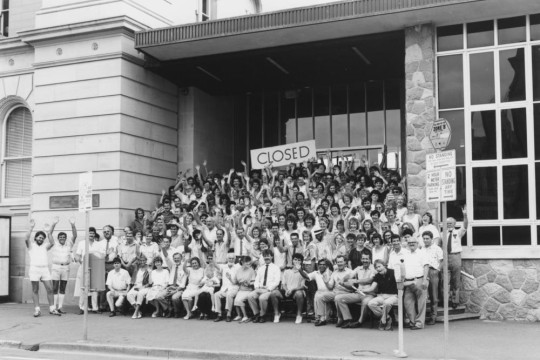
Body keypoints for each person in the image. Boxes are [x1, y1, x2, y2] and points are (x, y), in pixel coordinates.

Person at [25, 219, 60, 317]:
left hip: (45, 270)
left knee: (50, 289)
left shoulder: (45, 246)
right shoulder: (31, 246)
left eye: (42, 238)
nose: (41, 239)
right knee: (35, 290)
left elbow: (52, 243)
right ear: (35, 238)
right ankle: (37, 310)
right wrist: (31, 228)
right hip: (34, 270)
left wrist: (48, 232)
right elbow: (26, 238)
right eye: (39, 237)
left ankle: (52, 309)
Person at [336, 253, 375, 328]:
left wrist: (356, 281)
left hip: (369, 294)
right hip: (358, 293)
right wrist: (343, 279)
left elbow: (370, 280)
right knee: (338, 298)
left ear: (370, 260)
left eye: (366, 259)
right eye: (363, 259)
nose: (365, 261)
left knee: (365, 302)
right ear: (361, 260)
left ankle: (360, 322)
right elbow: (350, 275)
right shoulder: (358, 268)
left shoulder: (374, 268)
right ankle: (348, 319)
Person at [48, 216, 77, 314]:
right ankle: (54, 307)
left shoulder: (69, 244)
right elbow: (49, 234)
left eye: (63, 237)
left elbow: (75, 235)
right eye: (60, 237)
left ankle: (60, 307)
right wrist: (54, 224)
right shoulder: (54, 244)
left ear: (65, 238)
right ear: (58, 238)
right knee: (55, 287)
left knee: (63, 288)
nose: (62, 239)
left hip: (66, 267)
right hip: (56, 267)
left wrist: (73, 225)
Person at [247, 249, 282, 323]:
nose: (266, 258)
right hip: (260, 289)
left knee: (262, 298)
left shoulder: (276, 268)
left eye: (268, 256)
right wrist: (257, 288)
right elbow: (257, 280)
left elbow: (277, 281)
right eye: (265, 256)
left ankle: (262, 315)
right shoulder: (260, 268)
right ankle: (256, 314)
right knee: (250, 296)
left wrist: (268, 289)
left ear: (272, 257)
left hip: (270, 289)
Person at [403, 236, 429, 330]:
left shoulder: (422, 253)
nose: (411, 244)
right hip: (409, 281)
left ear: (417, 244)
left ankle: (419, 323)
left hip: (419, 280)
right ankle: (413, 321)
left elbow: (426, 266)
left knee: (421, 303)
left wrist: (425, 280)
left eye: (413, 242)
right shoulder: (406, 254)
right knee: (407, 302)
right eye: (409, 243)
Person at [367, 259, 398, 331]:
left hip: (393, 296)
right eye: (376, 268)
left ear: (384, 266)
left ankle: (383, 321)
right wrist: (362, 290)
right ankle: (387, 318)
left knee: (387, 303)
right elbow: (372, 288)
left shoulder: (393, 272)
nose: (378, 269)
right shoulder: (377, 276)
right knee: (370, 303)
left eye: (379, 266)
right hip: (382, 296)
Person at [447, 206, 468, 309]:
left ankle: (455, 301)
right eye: (447, 223)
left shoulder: (458, 232)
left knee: (455, 280)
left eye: (450, 223)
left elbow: (465, 226)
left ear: (454, 224)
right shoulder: (443, 234)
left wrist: (465, 215)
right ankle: (447, 300)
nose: (448, 224)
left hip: (455, 256)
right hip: (446, 257)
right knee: (446, 281)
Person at [422, 230, 443, 325]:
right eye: (424, 238)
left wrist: (437, 270)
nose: (425, 240)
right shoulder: (421, 249)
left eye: (427, 238)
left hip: (433, 271)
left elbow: (442, 261)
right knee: (422, 294)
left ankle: (433, 316)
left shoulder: (437, 248)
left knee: (433, 295)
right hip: (422, 272)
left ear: (431, 239)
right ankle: (422, 316)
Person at [279, 253, 306, 324]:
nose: (297, 261)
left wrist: (293, 289)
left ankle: (299, 315)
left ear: (301, 262)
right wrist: (286, 290)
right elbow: (283, 284)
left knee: (299, 294)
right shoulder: (287, 271)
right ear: (292, 261)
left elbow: (302, 286)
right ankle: (276, 314)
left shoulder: (303, 273)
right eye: (295, 259)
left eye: (299, 260)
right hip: (287, 291)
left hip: (296, 291)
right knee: (274, 293)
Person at [214, 252, 241, 322]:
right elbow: (216, 266)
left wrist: (230, 278)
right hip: (224, 289)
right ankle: (219, 314)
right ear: (227, 259)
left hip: (234, 288)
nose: (231, 260)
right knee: (216, 295)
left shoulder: (238, 267)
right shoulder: (223, 267)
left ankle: (228, 314)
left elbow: (238, 281)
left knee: (229, 295)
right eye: (229, 258)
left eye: (232, 258)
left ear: (235, 259)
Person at [127, 254, 152, 319]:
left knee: (140, 294)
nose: (142, 262)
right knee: (129, 295)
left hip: (145, 286)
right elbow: (129, 265)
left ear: (146, 260)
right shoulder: (137, 267)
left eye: (144, 260)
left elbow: (150, 282)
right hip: (136, 286)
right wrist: (135, 258)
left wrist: (142, 287)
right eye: (141, 260)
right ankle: (138, 311)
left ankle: (135, 313)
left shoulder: (149, 268)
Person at [232, 256, 256, 323]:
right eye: (246, 262)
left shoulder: (251, 270)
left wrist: (248, 283)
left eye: (249, 263)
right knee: (236, 300)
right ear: (242, 262)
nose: (248, 264)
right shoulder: (239, 270)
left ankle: (245, 316)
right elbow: (235, 281)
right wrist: (229, 278)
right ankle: (239, 315)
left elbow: (254, 282)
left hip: (248, 289)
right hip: (241, 289)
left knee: (239, 300)